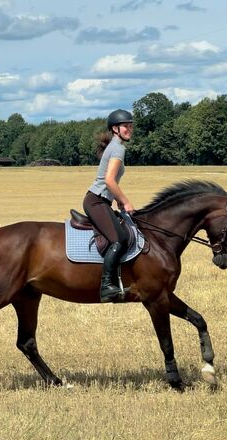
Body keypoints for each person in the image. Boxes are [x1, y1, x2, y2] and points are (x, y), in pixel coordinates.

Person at [83, 109, 135, 303]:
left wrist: (119, 201)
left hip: (101, 200)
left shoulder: (117, 146)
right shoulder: (117, 149)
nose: (129, 129)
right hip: (96, 200)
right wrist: (126, 201)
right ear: (115, 129)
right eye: (125, 126)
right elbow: (110, 180)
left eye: (131, 126)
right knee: (119, 239)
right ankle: (106, 287)